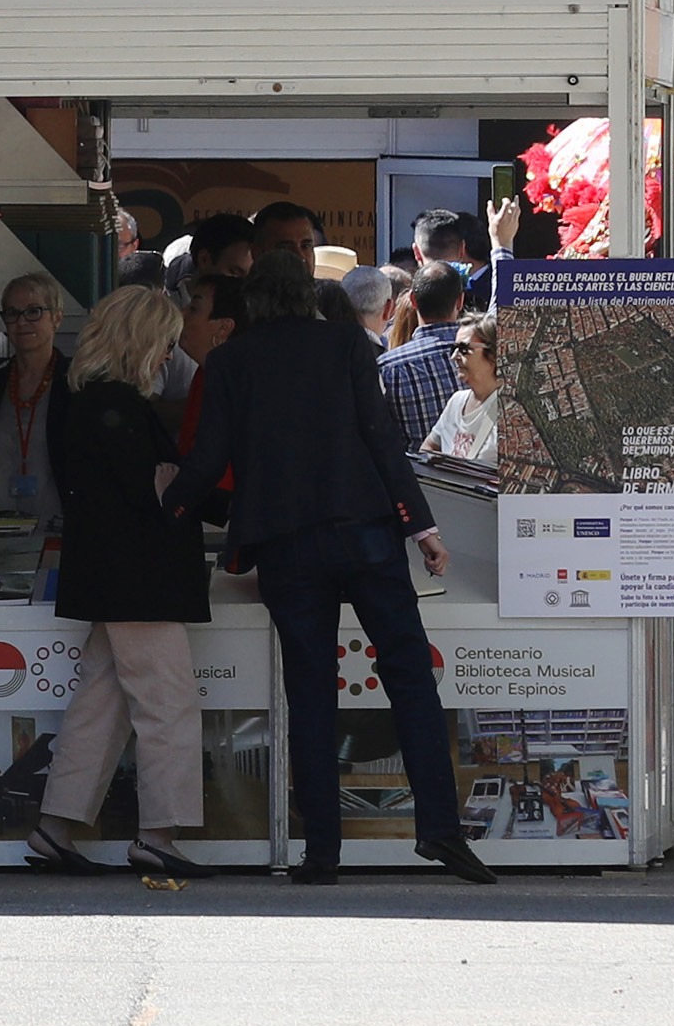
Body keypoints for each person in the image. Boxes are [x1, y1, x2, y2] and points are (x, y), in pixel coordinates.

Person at [183, 258, 490, 888]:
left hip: (287, 545)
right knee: (409, 675)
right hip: (366, 532)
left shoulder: (230, 363)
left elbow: (208, 460)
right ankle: (439, 829)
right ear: (306, 298)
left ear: (249, 308)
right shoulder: (347, 342)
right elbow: (381, 439)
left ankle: (322, 848)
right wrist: (421, 526)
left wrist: (165, 507)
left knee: (311, 690)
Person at [26, 281, 215, 877]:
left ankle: (55, 825)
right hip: (142, 577)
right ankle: (158, 833)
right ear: (140, 341)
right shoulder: (119, 407)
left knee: (99, 705)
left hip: (109, 574)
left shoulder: (81, 397)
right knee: (167, 705)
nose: (168, 356)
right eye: (164, 344)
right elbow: (154, 490)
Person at [0, 274, 68, 516]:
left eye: (34, 311)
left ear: (57, 317)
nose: (22, 322)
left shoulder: (76, 385)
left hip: (61, 529)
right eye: (12, 313)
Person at [378, 266, 470, 455]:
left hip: (416, 479)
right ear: (460, 301)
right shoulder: (486, 356)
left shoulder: (388, 368)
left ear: (412, 300)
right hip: (480, 478)